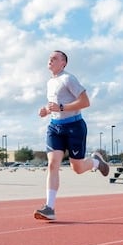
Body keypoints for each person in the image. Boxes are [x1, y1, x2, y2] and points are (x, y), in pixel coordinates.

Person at [34, 50, 110, 221]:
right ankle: (49, 208)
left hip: (74, 126)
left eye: (55, 58)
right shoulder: (50, 83)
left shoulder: (68, 78)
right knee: (53, 164)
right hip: (54, 128)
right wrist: (46, 111)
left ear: (63, 63)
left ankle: (96, 162)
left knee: (77, 168)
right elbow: (54, 105)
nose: (50, 60)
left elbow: (85, 102)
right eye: (49, 58)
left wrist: (61, 108)